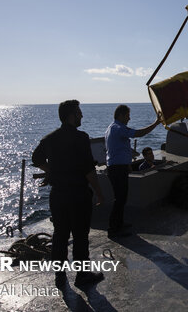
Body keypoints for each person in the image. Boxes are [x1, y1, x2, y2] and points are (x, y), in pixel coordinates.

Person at [32, 100, 105, 289]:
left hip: (58, 196)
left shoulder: (50, 138)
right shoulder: (80, 138)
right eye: (79, 113)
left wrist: (52, 171)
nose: (82, 116)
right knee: (80, 236)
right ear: (71, 116)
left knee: (60, 235)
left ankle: (59, 276)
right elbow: (89, 170)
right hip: (78, 195)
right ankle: (82, 276)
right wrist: (99, 192)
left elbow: (36, 158)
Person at [105, 105, 160, 238]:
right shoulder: (118, 128)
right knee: (119, 199)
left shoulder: (112, 128)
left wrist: (128, 164)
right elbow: (140, 134)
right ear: (121, 115)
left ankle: (119, 223)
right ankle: (113, 229)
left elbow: (120, 148)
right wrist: (156, 122)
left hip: (118, 167)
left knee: (122, 198)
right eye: (127, 116)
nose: (129, 118)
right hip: (117, 168)